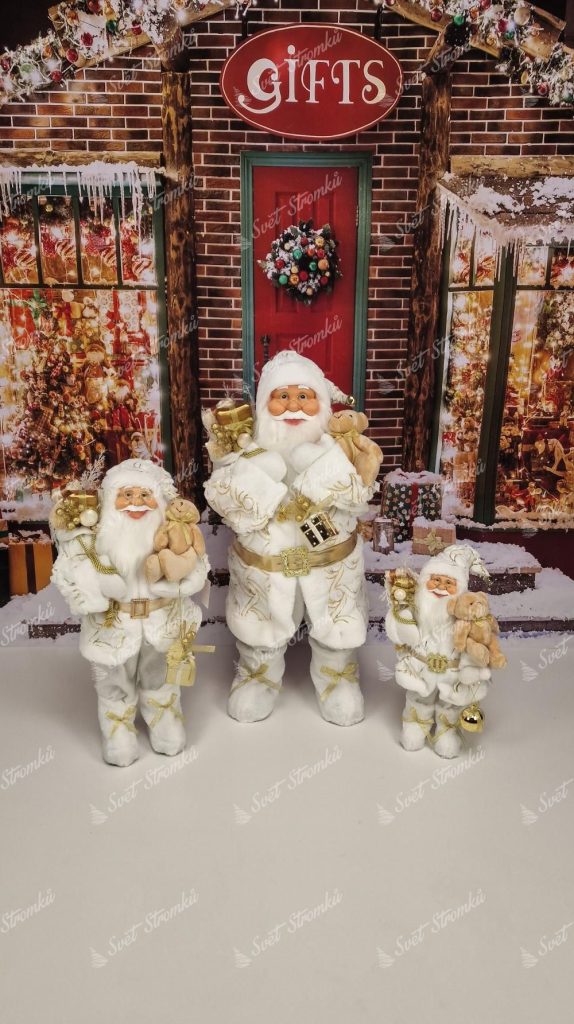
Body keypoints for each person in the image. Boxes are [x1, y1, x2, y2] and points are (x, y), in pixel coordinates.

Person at [204, 350, 382, 726]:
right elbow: (223, 498)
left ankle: (337, 676)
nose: (293, 406)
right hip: (265, 570)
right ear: (264, 404)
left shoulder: (342, 447)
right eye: (282, 396)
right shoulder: (244, 447)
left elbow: (357, 499)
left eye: (304, 396)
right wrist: (257, 479)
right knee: (259, 623)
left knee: (337, 621)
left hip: (329, 567)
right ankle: (258, 675)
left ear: (321, 403)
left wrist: (321, 471)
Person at [51, 459, 209, 766]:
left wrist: (180, 582)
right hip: (113, 623)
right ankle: (117, 724)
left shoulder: (176, 532)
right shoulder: (92, 538)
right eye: (127, 495)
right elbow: (70, 574)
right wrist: (94, 586)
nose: (136, 503)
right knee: (112, 677)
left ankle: (163, 713)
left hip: (161, 618)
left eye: (145, 495)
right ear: (111, 500)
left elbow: (197, 568)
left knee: (161, 672)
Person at [385, 544, 492, 758]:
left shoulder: (465, 614)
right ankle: (415, 724)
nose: (441, 587)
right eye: (436, 580)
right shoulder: (416, 606)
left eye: (449, 583)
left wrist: (473, 667)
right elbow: (399, 632)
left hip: (451, 670)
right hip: (420, 666)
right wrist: (400, 608)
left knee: (450, 702)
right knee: (418, 696)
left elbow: (475, 642)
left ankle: (447, 731)